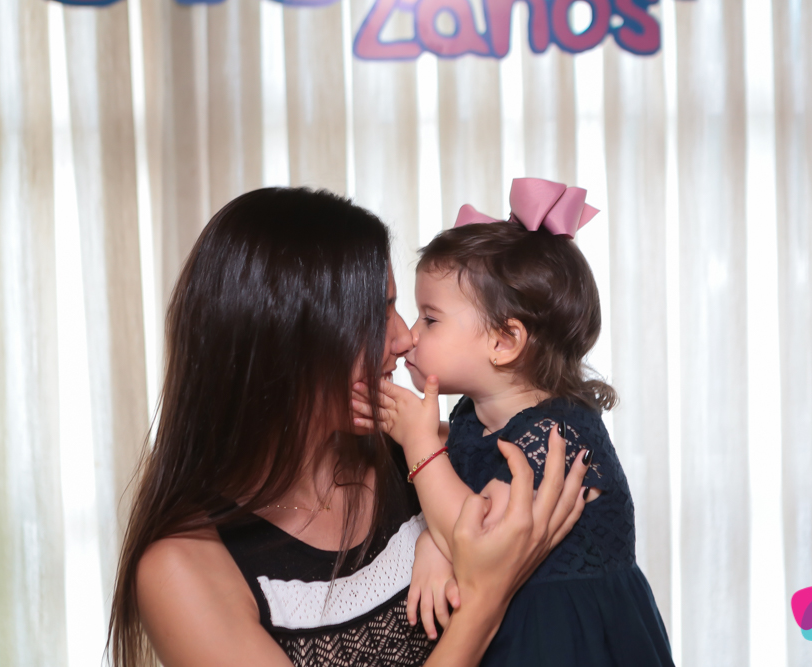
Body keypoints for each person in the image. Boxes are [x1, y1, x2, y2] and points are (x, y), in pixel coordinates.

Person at [107, 186, 592, 667]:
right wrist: (485, 598)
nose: (404, 339)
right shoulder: (183, 568)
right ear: (288, 341)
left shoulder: (423, 454)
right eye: (378, 313)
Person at [352, 179, 675, 666]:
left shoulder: (558, 435)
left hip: (569, 644)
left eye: (430, 319)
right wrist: (432, 540)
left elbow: (478, 540)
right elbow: (465, 490)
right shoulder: (472, 415)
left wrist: (419, 446)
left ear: (504, 342)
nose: (409, 337)